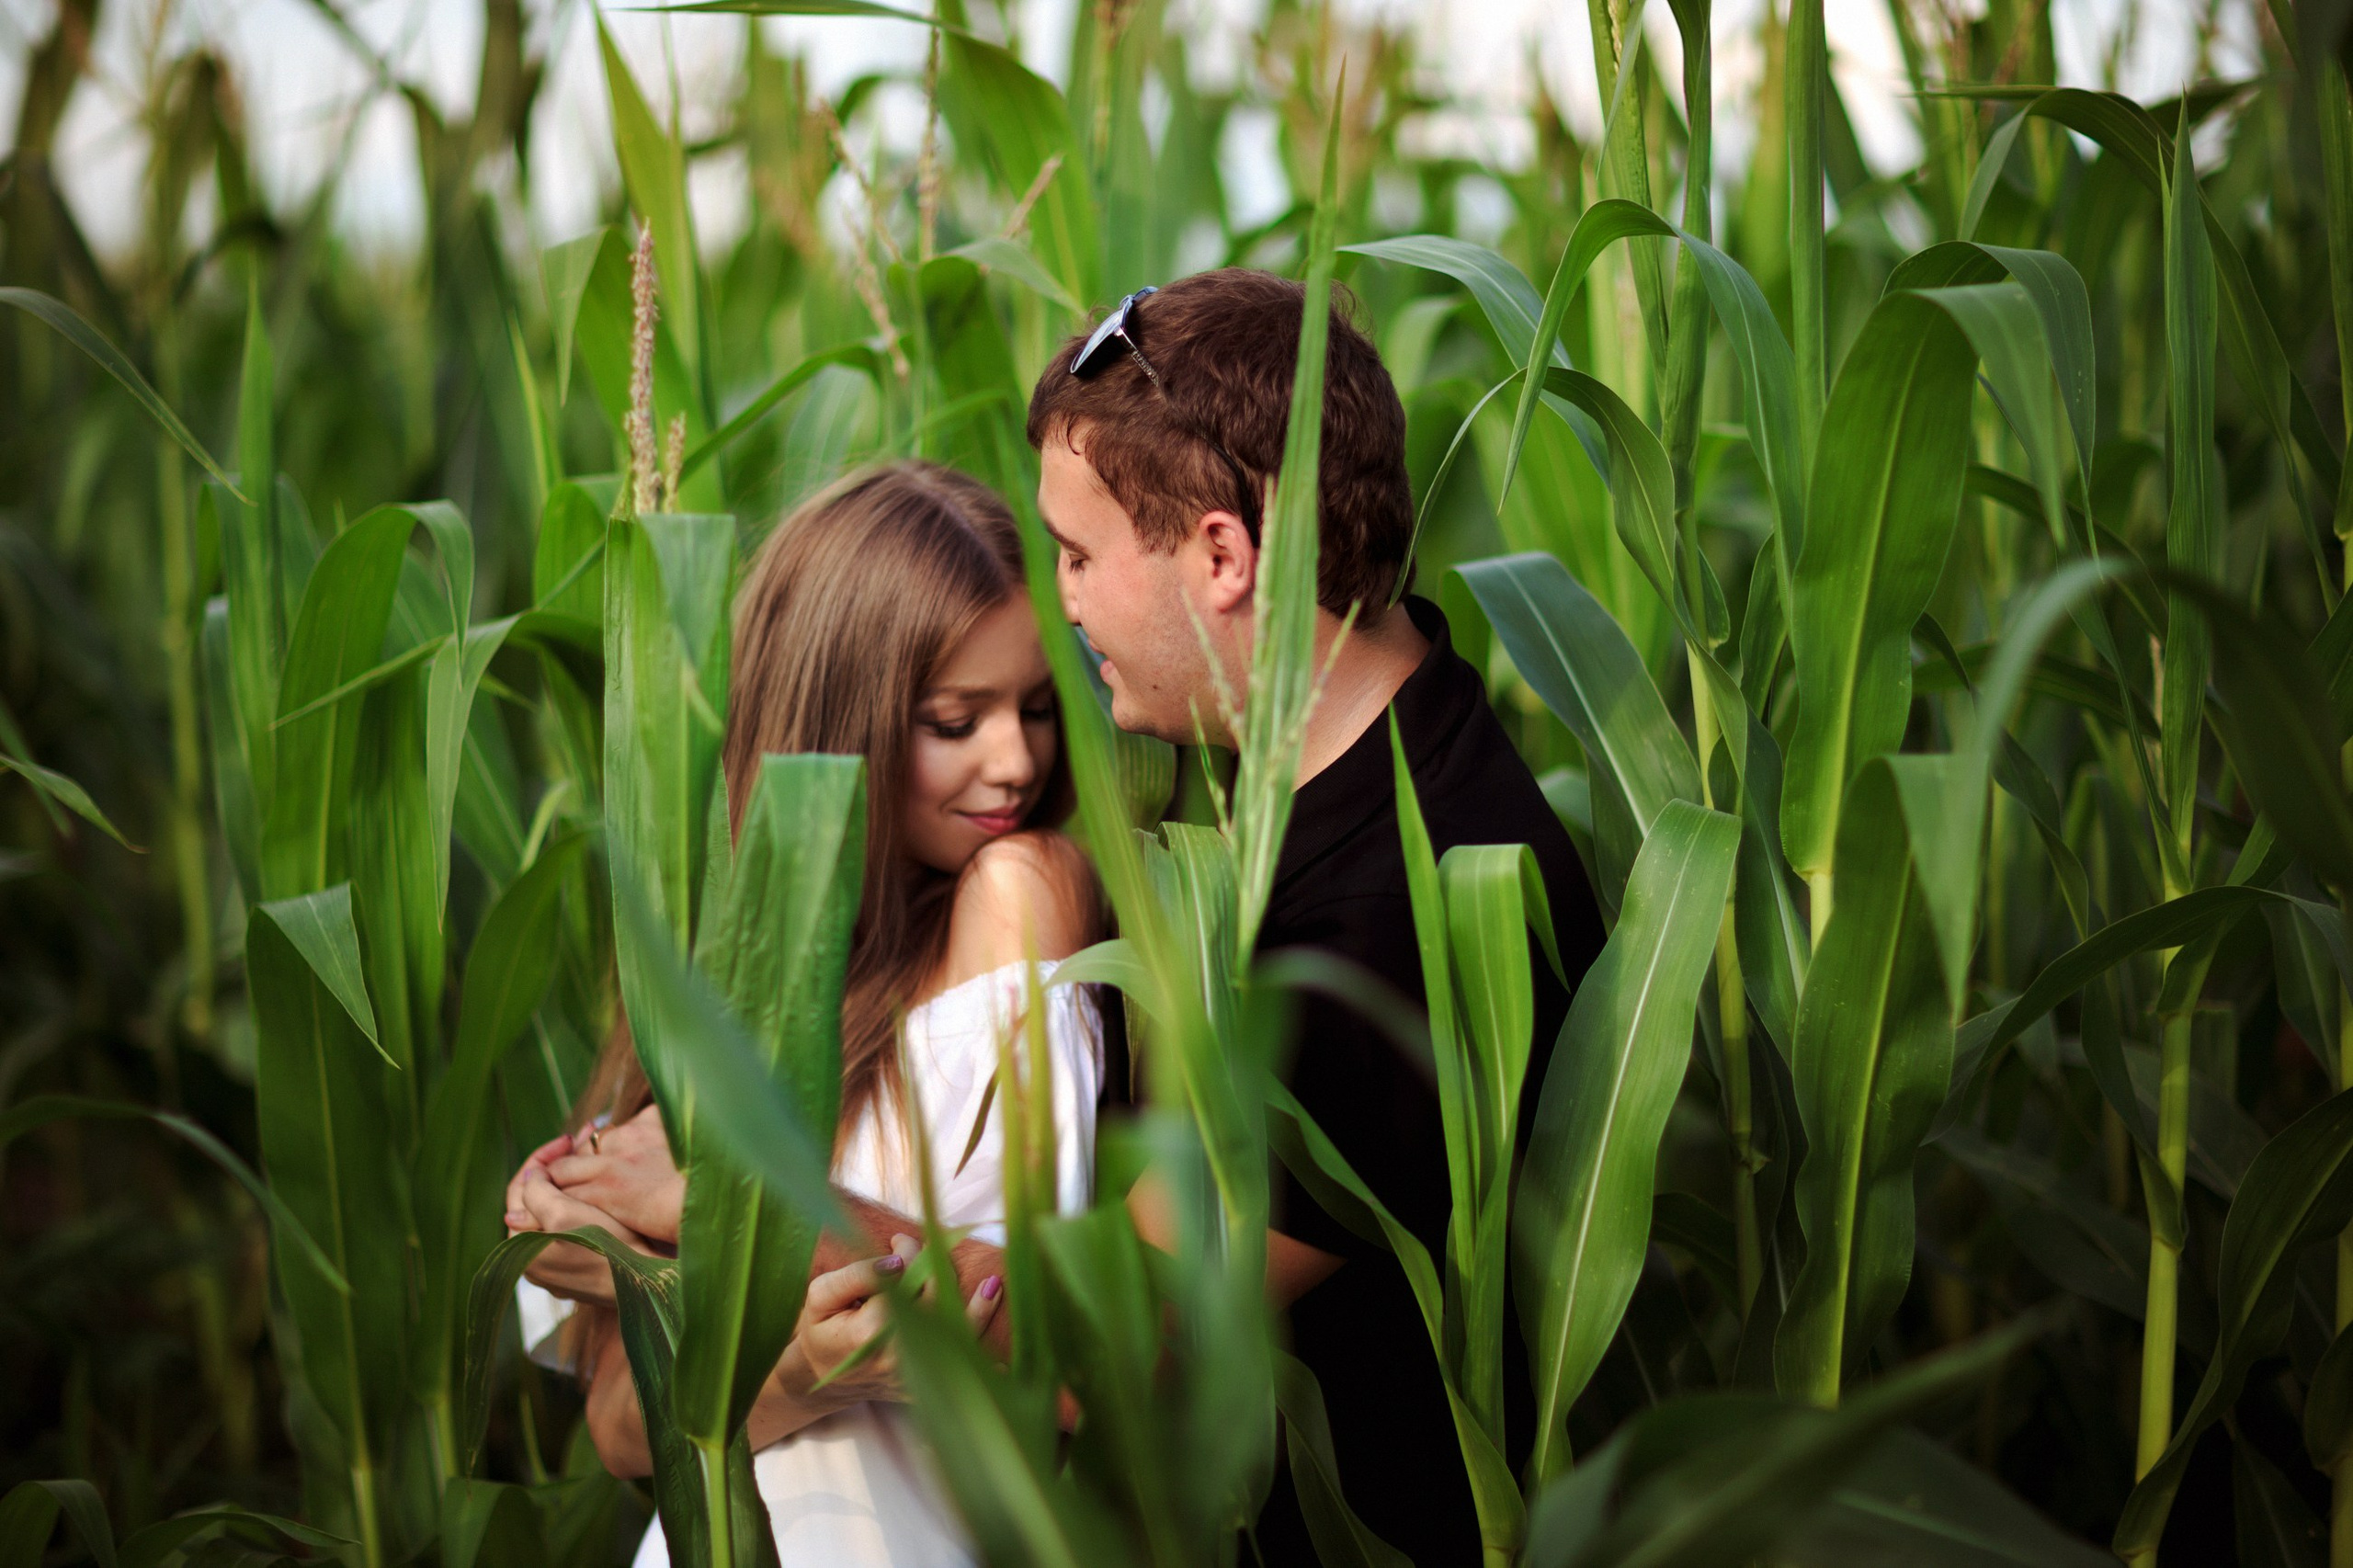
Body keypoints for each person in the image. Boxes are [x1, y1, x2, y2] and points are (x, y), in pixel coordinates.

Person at [1025, 268, 1606, 1564]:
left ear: (1224, 554)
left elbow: (1098, 1353)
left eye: (1077, 554)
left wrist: (750, 1215)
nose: (1060, 597)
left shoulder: (1403, 917)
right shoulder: (1333, 766)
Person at [505, 460, 1104, 1568]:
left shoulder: (1020, 893)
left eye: (1033, 706)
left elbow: (1056, 1346)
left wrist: (714, 1204)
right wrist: (793, 1367)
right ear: (844, 718)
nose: (1014, 758)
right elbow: (622, 1427)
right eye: (952, 720)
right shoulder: (721, 987)